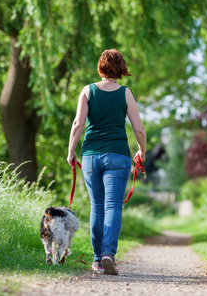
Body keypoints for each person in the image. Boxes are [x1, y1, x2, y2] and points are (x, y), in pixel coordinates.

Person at [67, 49, 146, 275]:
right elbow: (138, 128)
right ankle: (108, 253)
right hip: (118, 156)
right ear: (121, 69)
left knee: (97, 207)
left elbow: (78, 124)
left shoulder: (87, 90)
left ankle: (97, 260)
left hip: (91, 155)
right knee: (113, 206)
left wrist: (71, 151)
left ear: (100, 67)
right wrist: (142, 151)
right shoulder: (126, 93)